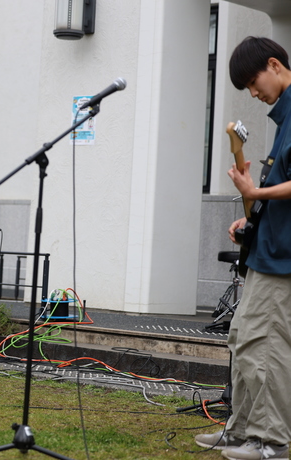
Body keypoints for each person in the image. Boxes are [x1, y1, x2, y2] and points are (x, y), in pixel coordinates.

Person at [194, 36, 291, 460]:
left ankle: (270, 442)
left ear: (275, 65)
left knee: (265, 343)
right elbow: (276, 186)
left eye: (254, 82)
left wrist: (256, 192)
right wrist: (248, 217)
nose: (254, 92)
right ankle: (242, 432)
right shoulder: (282, 118)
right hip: (267, 249)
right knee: (243, 338)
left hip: (283, 258)